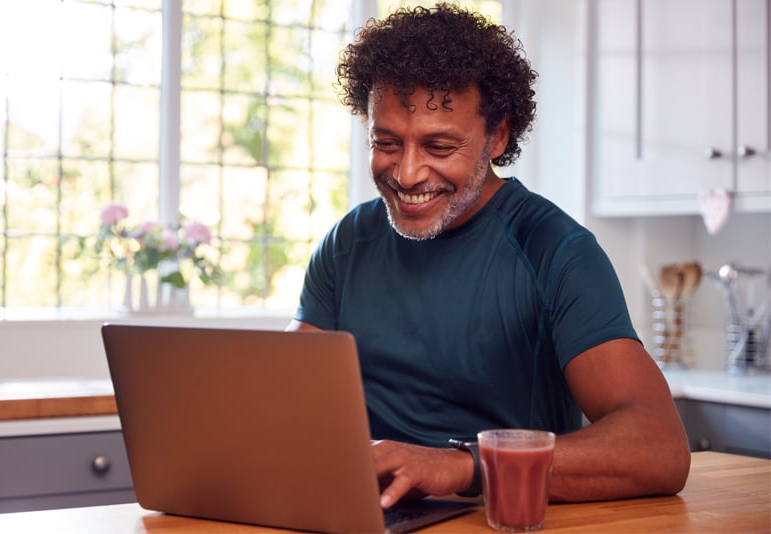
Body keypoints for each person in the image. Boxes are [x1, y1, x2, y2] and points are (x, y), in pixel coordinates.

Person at [287, 3, 690, 507]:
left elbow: (659, 448)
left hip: (491, 515)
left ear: (497, 137)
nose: (408, 174)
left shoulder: (556, 252)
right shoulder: (348, 242)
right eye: (387, 142)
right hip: (361, 510)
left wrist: (464, 467)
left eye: (439, 146)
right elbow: (288, 399)